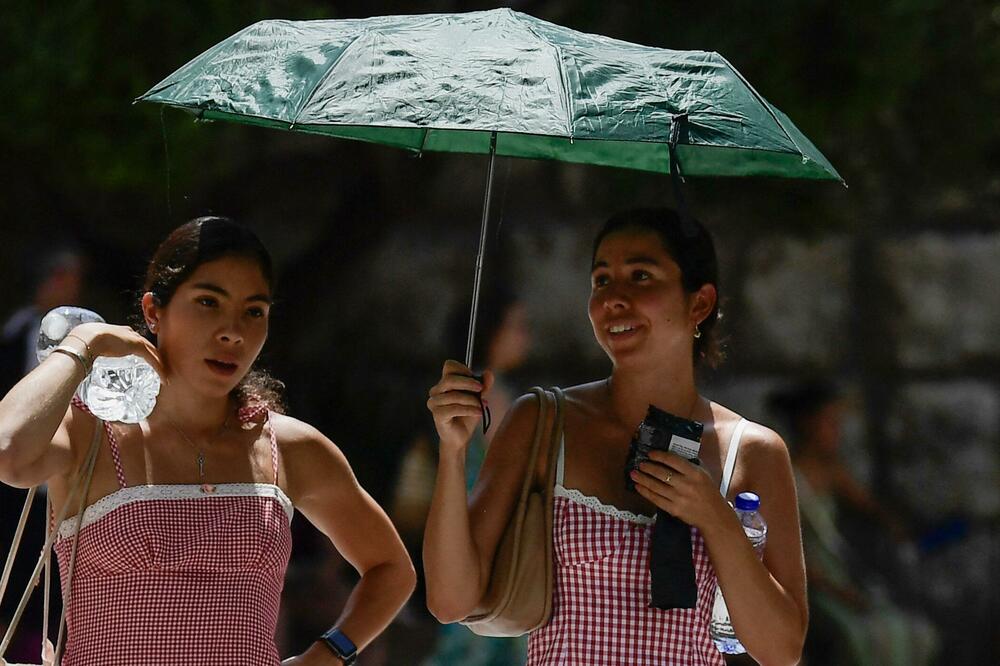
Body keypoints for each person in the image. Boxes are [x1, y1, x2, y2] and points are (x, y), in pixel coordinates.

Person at [0, 217, 415, 665]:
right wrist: (83, 344)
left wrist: (331, 653)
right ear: (154, 312)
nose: (232, 331)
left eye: (253, 311)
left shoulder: (289, 447)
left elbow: (391, 570)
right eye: (208, 303)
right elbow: (8, 453)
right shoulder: (92, 432)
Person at [422, 208, 808, 665]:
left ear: (699, 304)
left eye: (641, 276)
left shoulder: (753, 452)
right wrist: (452, 452)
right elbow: (451, 602)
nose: (614, 299)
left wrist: (716, 518)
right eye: (601, 281)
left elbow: (781, 651)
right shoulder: (544, 423)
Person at [390, 282, 532, 665]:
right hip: (489, 535)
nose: (525, 337)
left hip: (455, 532)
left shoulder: (455, 390)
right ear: (491, 331)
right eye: (516, 326)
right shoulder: (495, 396)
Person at [768, 381, 938, 666]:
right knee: (858, 637)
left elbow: (868, 506)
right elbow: (786, 552)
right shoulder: (785, 475)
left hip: (839, 573)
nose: (838, 431)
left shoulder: (832, 470)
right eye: (830, 423)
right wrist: (838, 592)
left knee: (912, 632)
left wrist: (894, 526)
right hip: (808, 580)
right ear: (807, 424)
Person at [0, 247, 83, 663]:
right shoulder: (14, 335)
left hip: (56, 481)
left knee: (50, 584)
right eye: (66, 278)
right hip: (10, 484)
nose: (74, 287)